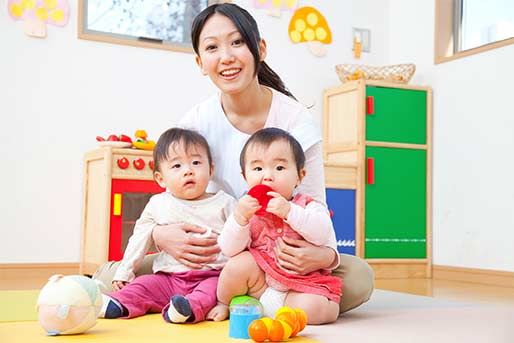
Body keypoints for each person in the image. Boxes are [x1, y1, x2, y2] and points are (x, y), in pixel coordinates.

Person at [93, 3, 374, 315]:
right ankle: (237, 297)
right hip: (212, 257)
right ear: (200, 62)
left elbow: (316, 207)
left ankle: (238, 298)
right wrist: (161, 235)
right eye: (212, 47)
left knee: (358, 277)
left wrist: (325, 257)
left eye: (238, 42)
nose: (226, 56)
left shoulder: (295, 121)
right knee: (109, 278)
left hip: (280, 253)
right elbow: (171, 198)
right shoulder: (195, 123)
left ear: (260, 49)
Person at [100, 128, 235, 323]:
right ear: (160, 178)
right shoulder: (158, 203)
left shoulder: (225, 203)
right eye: (177, 166)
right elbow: (140, 237)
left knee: (214, 291)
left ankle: (185, 310)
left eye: (196, 163)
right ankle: (117, 304)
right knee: (143, 285)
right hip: (169, 277)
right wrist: (124, 271)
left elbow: (243, 235)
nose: (188, 170)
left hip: (212, 274)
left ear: (211, 170)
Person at [218, 128, 341, 324]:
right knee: (237, 265)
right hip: (260, 280)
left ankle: (268, 306)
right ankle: (224, 303)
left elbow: (322, 234)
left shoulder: (308, 205)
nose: (267, 176)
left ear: (300, 176)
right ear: (244, 176)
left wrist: (289, 212)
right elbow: (228, 249)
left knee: (322, 309)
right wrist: (240, 218)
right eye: (258, 169)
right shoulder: (246, 208)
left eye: (279, 168)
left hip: (301, 283)